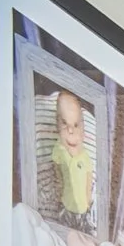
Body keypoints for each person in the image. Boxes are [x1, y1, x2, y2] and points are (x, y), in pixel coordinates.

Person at [48, 89, 93, 229]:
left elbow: (88, 178)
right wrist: (58, 189)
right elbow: (56, 171)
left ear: (83, 130)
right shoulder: (59, 149)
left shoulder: (85, 156)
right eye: (64, 124)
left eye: (75, 125)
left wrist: (88, 199)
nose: (71, 131)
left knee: (87, 234)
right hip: (65, 207)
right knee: (63, 234)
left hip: (84, 211)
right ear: (57, 128)